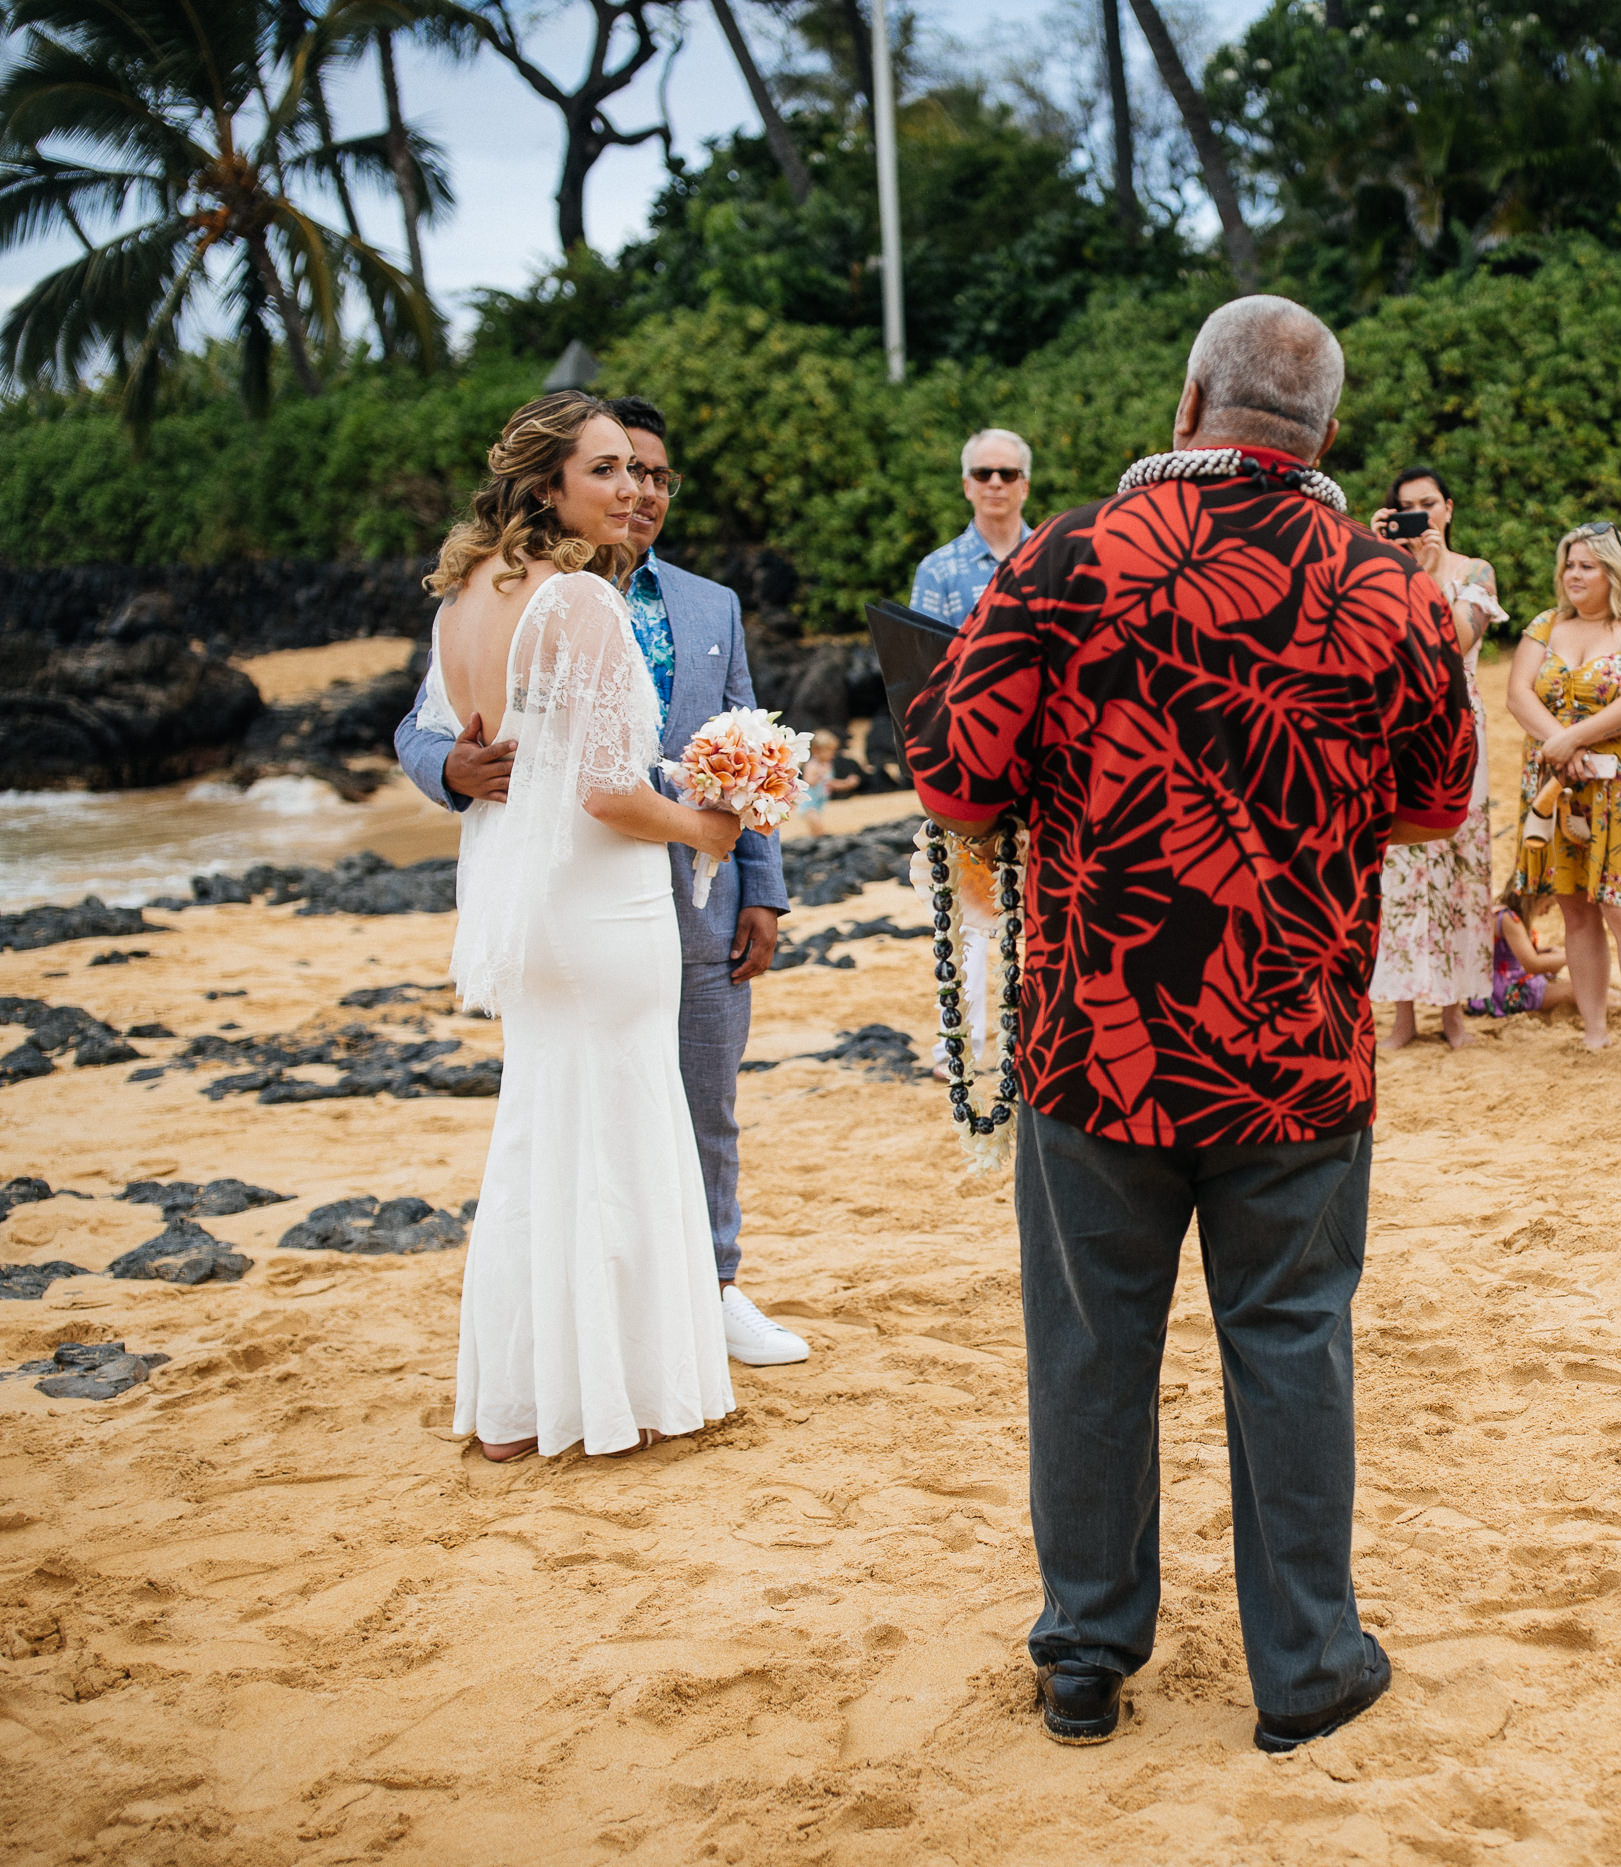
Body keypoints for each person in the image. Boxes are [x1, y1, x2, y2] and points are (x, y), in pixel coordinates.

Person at [904, 297, 1476, 1754]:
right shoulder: (1390, 587)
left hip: (1096, 1042)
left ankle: (1088, 1656)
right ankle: (1307, 1665)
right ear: (1326, 435)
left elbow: (959, 781)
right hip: (1293, 1043)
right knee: (1292, 1340)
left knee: (1090, 1347)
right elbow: (1434, 803)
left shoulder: (1064, 557)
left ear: (1185, 403)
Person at [396, 393, 807, 1369]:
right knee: (597, 1109)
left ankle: (710, 1289)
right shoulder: (537, 592)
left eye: (654, 476)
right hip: (590, 890)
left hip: (699, 901)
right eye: (620, 471)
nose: (641, 492)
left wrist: (763, 882)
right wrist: (451, 770)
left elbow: (747, 745)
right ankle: (623, 1323)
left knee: (699, 1100)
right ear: (561, 484)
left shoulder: (711, 606)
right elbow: (424, 722)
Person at [1507, 522, 1621, 1066]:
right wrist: (1560, 747)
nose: (1574, 574)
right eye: (1569, 564)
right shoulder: (1546, 623)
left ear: (1614, 571)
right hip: (1554, 782)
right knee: (1574, 905)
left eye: (1587, 565)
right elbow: (1517, 695)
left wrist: (1569, 740)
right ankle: (1595, 1029)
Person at [1367, 467, 1504, 1051]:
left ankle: (1452, 1013)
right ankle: (1401, 1014)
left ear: (1447, 508)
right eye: (1405, 508)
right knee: (1394, 874)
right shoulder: (1378, 568)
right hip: (1393, 729)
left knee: (1458, 868)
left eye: (1427, 505)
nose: (1418, 517)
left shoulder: (1474, 572)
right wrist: (1380, 554)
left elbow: (1454, 642)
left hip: (1456, 728)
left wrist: (1420, 579)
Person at [909, 427, 1035, 627]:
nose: (995, 483)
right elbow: (922, 655)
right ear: (967, 486)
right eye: (982, 474)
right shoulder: (936, 571)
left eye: (1008, 474)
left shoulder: (1052, 559)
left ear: (1025, 488)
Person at [1463, 878, 1573, 1020]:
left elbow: (1510, 956)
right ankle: (1609, 1003)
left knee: (1569, 986)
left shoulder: (1503, 914)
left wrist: (1549, 954)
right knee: (1574, 991)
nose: (1546, 912)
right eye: (1548, 906)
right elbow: (1533, 964)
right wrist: (1572, 957)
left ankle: (1608, 999)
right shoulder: (1508, 919)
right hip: (1502, 992)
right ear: (1534, 898)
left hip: (1492, 986)